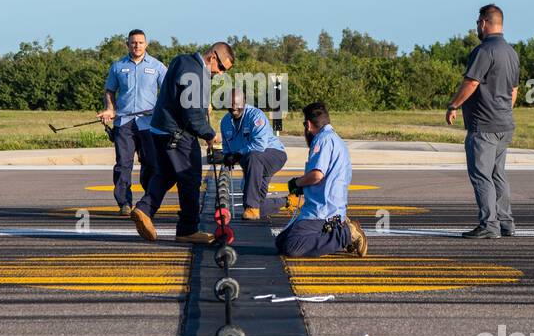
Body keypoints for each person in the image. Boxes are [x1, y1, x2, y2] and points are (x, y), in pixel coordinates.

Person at [130, 42, 236, 245]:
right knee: (190, 178)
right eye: (221, 67)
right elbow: (192, 113)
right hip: (178, 134)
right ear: (213, 57)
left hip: (158, 130)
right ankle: (188, 229)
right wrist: (209, 133)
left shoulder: (182, 60)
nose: (220, 73)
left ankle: (144, 209)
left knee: (166, 175)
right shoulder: (196, 74)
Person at [446, 3, 520, 238]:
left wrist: (453, 104)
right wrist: (504, 111)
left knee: (481, 175)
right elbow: (514, 90)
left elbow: (471, 83)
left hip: (484, 126)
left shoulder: (484, 51)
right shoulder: (511, 52)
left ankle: (489, 224)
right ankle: (505, 222)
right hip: (504, 124)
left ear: (484, 23)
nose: (477, 26)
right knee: (498, 175)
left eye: (478, 22)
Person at [274, 102, 367, 258]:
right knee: (281, 242)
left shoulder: (322, 139)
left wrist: (297, 183)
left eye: (305, 124)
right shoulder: (335, 139)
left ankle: (346, 233)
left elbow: (317, 175)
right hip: (324, 208)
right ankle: (338, 230)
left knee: (292, 245)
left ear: (309, 125)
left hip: (323, 211)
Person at [99, 30, 167, 216]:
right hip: (124, 122)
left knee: (151, 164)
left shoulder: (157, 66)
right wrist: (109, 109)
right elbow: (110, 91)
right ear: (127, 44)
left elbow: (169, 91)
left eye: (140, 42)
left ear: (146, 44)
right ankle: (124, 203)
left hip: (149, 124)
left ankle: (148, 201)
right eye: (133, 43)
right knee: (123, 164)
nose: (137, 46)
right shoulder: (118, 66)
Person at [219, 88, 287, 220]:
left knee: (253, 156)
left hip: (272, 154)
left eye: (237, 106)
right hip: (252, 163)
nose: (234, 111)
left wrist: (238, 154)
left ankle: (251, 206)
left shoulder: (256, 116)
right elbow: (227, 147)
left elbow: (259, 145)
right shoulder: (225, 122)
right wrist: (226, 157)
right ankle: (287, 202)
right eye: (230, 107)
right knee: (258, 203)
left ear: (244, 102)